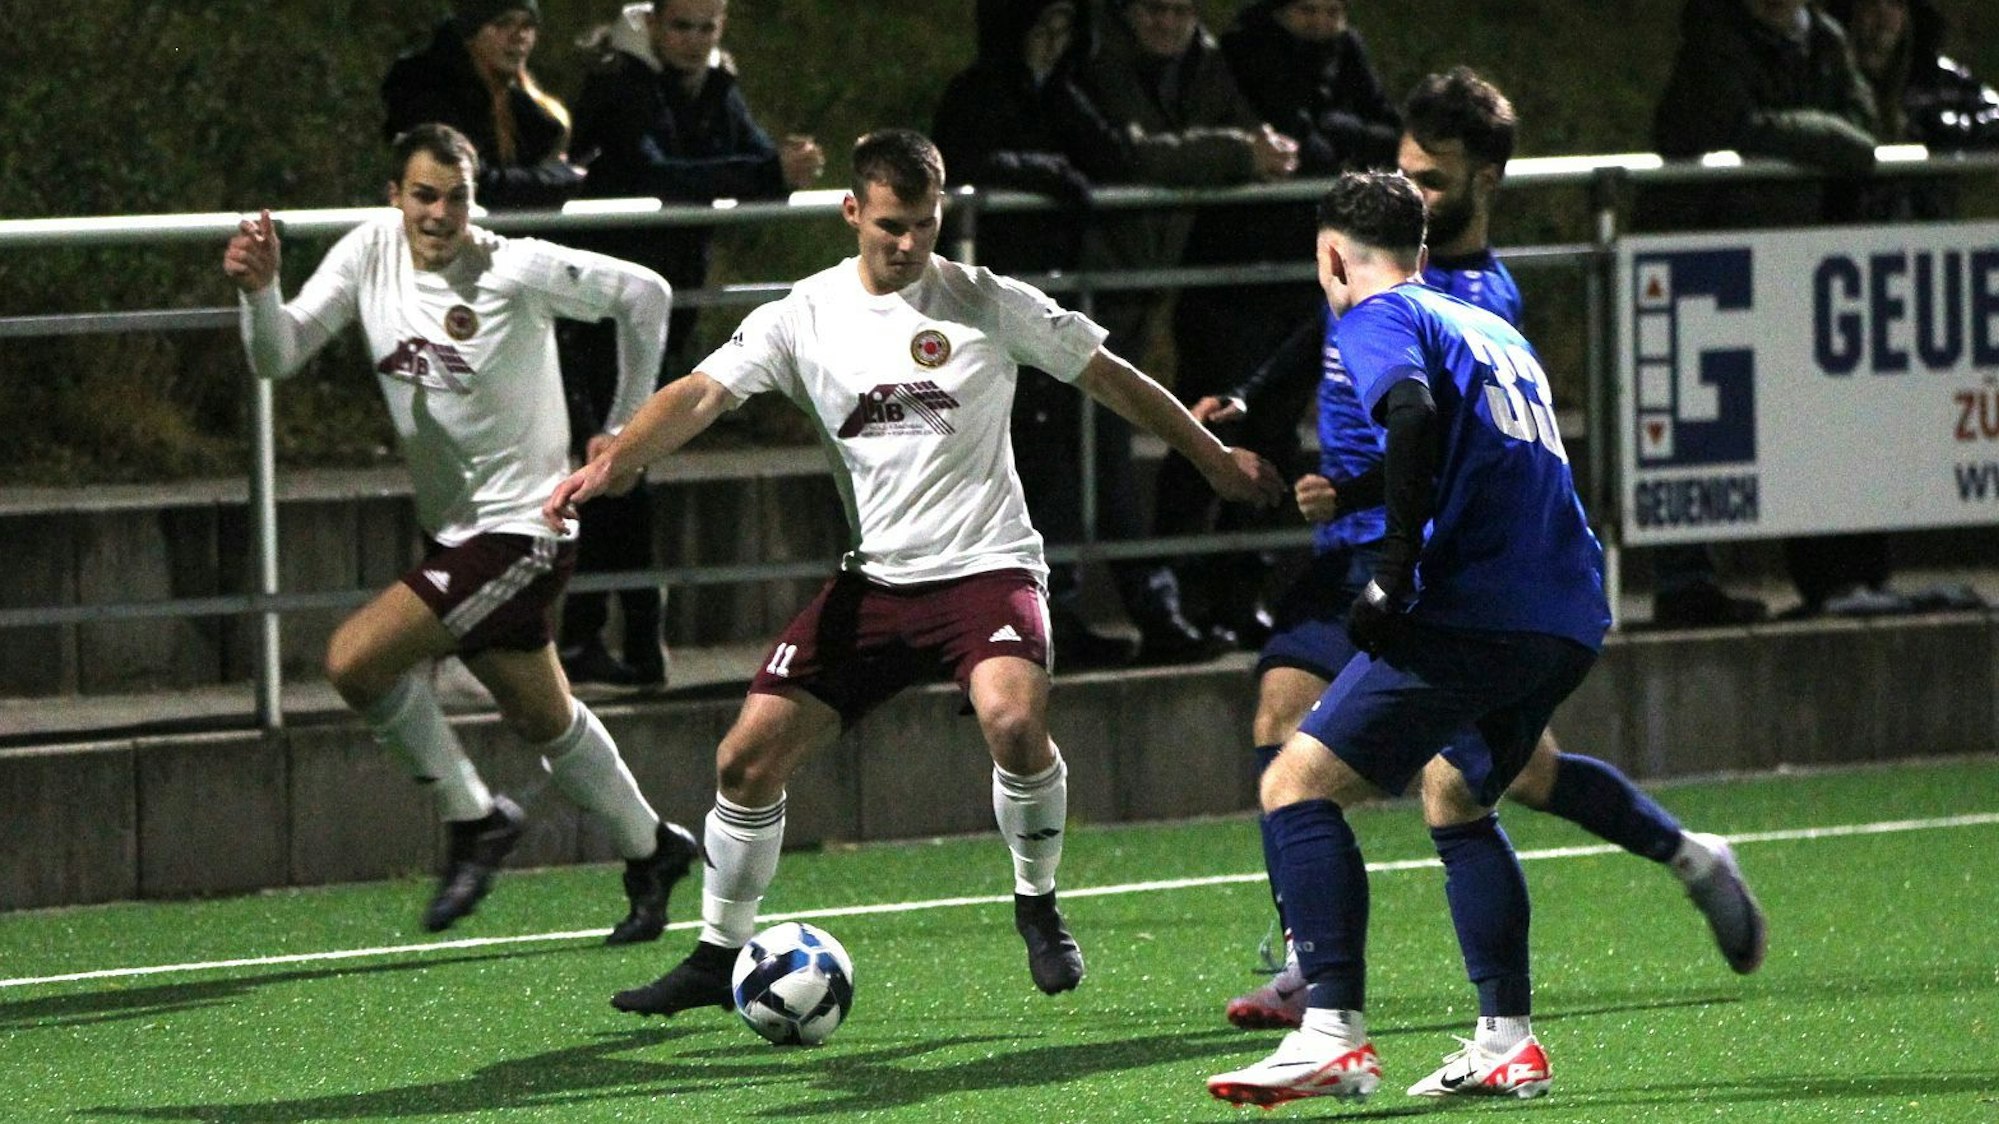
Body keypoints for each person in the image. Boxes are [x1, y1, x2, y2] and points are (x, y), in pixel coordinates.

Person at [542, 129, 1284, 1018]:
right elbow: (702, 392)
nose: (907, 244)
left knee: (1011, 721)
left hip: (987, 566)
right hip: (876, 582)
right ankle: (715, 955)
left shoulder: (985, 300)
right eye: (891, 225)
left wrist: (1209, 459)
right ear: (852, 211)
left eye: (924, 226)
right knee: (743, 763)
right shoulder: (801, 315)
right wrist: (618, 458)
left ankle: (1036, 902)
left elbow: (1113, 378)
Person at [1205, 69, 1768, 1037]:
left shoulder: (1472, 301)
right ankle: (1318, 960)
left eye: (1433, 179)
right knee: (1293, 713)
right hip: (1372, 547)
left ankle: (1683, 854)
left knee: (1487, 779)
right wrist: (1255, 402)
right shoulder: (1385, 282)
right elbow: (1319, 330)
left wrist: (1375, 523)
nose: (1412, 195)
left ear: (1487, 182)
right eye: (1405, 171)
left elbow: (1450, 431)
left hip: (1435, 562)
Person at [221, 123, 697, 943]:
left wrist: (623, 435)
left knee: (355, 660)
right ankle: (651, 848)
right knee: (546, 717)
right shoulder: (369, 250)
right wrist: (260, 292)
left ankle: (473, 819)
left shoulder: (511, 266)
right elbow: (278, 355)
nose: (439, 214)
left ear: (476, 201)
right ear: (395, 197)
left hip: (524, 528)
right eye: (423, 195)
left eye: (457, 197)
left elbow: (646, 295)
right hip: (455, 532)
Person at [1204, 169, 1609, 1107]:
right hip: (1568, 610)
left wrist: (1389, 568)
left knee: (1293, 786)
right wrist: (1357, 495)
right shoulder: (1490, 326)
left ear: (1330, 255)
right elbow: (1473, 447)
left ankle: (1329, 1031)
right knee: (1456, 792)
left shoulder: (1374, 317)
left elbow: (1412, 413)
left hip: (1478, 610)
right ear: (1423, 253)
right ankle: (1506, 1040)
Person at [554, 0, 828, 688]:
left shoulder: (717, 83)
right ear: (653, 25)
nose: (694, 42)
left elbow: (749, 154)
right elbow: (655, 173)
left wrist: (785, 163)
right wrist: (766, 173)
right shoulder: (620, 83)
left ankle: (618, 633)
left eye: (707, 29)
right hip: (602, 299)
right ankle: (623, 630)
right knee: (612, 454)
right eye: (682, 27)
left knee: (627, 455)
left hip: (667, 298)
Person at [1055, 0, 1300, 664]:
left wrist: (1262, 150)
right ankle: (1131, 605)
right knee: (1080, 445)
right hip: (1079, 279)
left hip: (1137, 282)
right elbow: (1127, 153)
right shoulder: (1092, 56)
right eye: (1150, 9)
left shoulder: (1206, 62)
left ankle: (1143, 604)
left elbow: (1251, 138)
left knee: (1097, 442)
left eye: (1178, 9)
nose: (1164, 22)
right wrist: (1235, 154)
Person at [1161, 0, 1402, 648]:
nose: (1324, 24)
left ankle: (1241, 593)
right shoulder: (1245, 54)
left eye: (1333, 10)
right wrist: (1338, 144)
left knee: (1274, 437)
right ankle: (1174, 592)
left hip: (1298, 275)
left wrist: (1335, 143)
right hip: (1231, 279)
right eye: (1308, 11)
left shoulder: (1345, 52)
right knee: (1210, 430)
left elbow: (1382, 135)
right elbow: (1305, 142)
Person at [1646, 0, 1879, 626]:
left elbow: (1864, 127)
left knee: (1803, 419)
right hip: (1706, 261)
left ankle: (1828, 577)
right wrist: (1823, 138)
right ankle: (1686, 582)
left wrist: (1791, 133)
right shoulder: (1715, 35)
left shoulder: (1825, 39)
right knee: (1692, 425)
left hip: (1794, 267)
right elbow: (1723, 125)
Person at [932, 0, 1143, 670]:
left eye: (1063, 32)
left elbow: (1111, 156)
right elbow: (964, 159)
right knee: (1002, 461)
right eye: (1039, 30)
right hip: (990, 311)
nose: (1051, 46)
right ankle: (986, 621)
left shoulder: (1059, 91)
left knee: (1053, 462)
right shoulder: (977, 92)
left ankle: (1051, 613)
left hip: (1044, 309)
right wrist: (1045, 173)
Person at [381, 0, 585, 209]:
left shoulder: (530, 110)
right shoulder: (427, 94)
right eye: (503, 24)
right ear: (472, 34)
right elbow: (471, 184)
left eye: (527, 25)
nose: (519, 37)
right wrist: (559, 180)